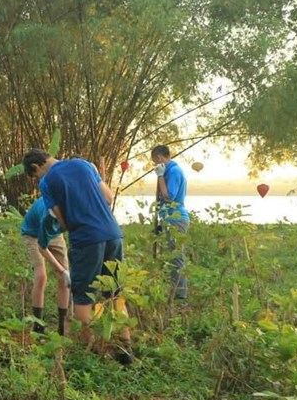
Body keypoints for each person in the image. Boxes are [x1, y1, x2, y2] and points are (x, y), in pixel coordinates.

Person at [22, 149, 133, 364]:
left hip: (86, 239)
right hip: (113, 234)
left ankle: (90, 351)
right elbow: (108, 197)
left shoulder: (47, 182)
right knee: (115, 294)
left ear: (35, 168)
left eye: (35, 176)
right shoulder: (84, 164)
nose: (38, 179)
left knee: (83, 297)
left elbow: (62, 222)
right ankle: (125, 351)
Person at [20, 196, 71, 335]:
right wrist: (61, 270)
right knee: (41, 276)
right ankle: (38, 326)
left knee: (65, 281)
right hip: (33, 234)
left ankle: (62, 327)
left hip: (55, 234)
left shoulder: (71, 206)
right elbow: (42, 247)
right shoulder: (46, 216)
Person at [151, 145, 189, 300]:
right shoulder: (171, 171)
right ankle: (174, 290)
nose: (155, 165)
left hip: (176, 218)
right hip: (170, 217)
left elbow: (169, 196)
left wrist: (160, 176)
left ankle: (180, 294)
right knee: (172, 255)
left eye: (155, 162)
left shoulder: (173, 172)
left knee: (176, 256)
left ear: (160, 158)